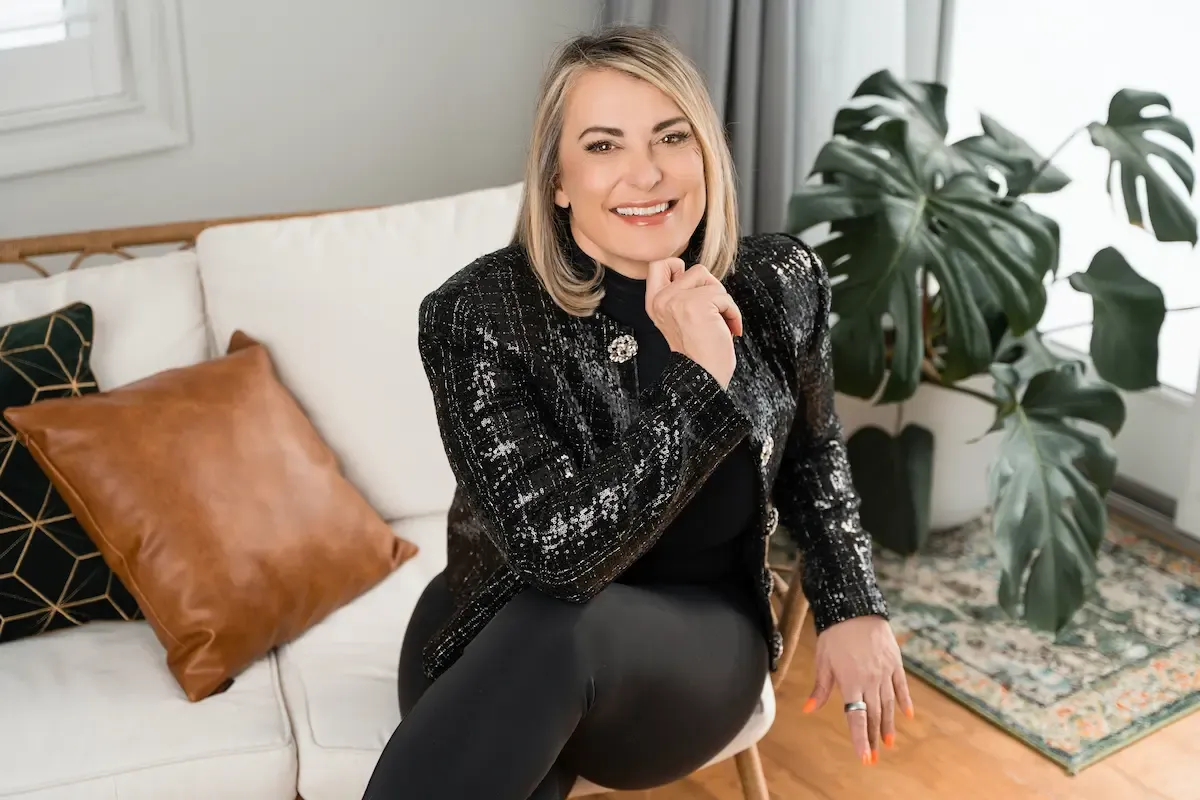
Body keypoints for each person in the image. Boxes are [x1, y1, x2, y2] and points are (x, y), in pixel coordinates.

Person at [361, 24, 911, 800]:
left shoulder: (778, 283)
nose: (646, 173)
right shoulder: (479, 315)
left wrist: (852, 605)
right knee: (526, 693)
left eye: (670, 137)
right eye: (603, 145)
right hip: (492, 620)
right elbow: (556, 555)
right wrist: (698, 382)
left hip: (695, 642)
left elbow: (814, 453)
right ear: (557, 179)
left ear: (706, 152)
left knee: (564, 635)